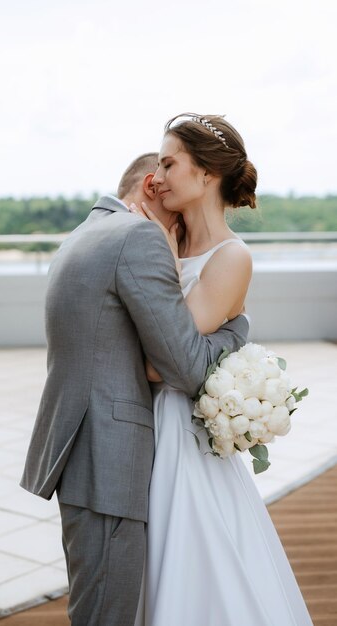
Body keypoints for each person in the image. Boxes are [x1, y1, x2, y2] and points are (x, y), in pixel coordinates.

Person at [20, 152, 249, 626]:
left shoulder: (86, 233)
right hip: (109, 457)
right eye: (178, 224)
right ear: (151, 187)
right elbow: (184, 366)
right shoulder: (139, 235)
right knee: (108, 614)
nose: (181, 236)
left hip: (85, 447)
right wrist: (236, 329)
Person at [132, 114, 313, 626]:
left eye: (169, 163)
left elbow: (168, 359)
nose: (159, 174)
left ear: (207, 174)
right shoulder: (160, 236)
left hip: (180, 432)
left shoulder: (231, 257)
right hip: (141, 424)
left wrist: (164, 256)